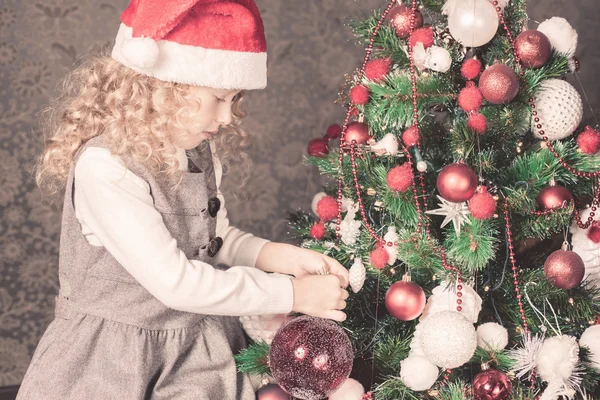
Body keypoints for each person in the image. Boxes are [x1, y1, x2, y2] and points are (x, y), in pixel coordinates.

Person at [17, 1, 349, 398]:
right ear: (161, 89)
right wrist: (291, 293)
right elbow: (177, 282)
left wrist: (278, 257)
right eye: (219, 98)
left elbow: (211, 239)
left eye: (235, 100)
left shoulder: (194, 155)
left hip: (194, 345)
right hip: (115, 356)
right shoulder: (106, 168)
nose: (228, 117)